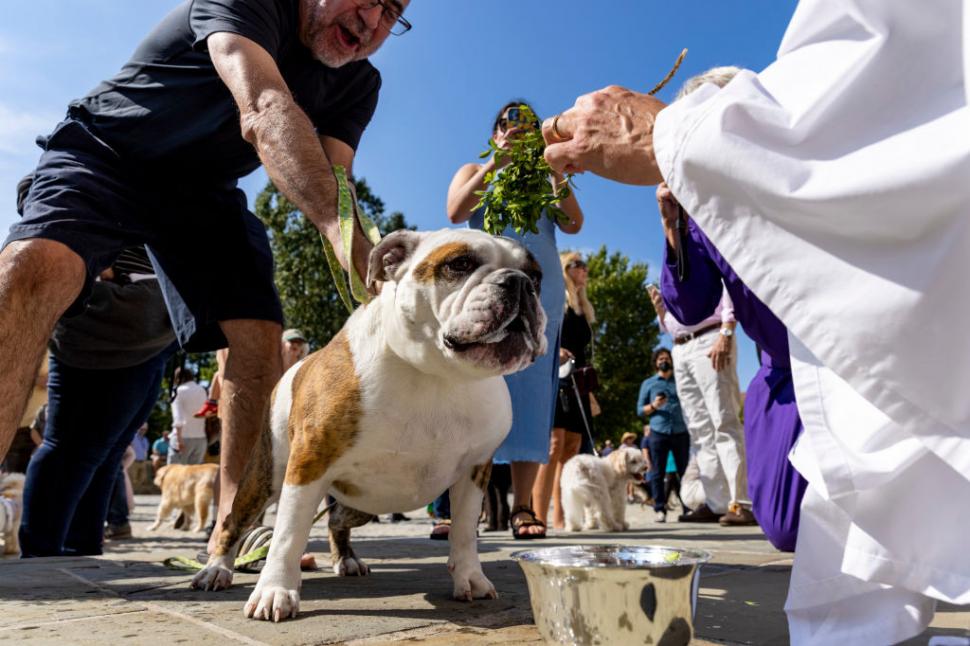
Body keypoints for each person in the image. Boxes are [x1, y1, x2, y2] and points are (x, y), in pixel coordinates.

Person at [542, 4, 970, 641]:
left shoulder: (767, 163)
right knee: (782, 519)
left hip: (836, 353)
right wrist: (674, 224)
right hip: (782, 370)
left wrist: (679, 141)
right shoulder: (699, 212)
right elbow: (686, 306)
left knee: (854, 509)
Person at [0, 0, 412, 559]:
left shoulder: (359, 84)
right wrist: (352, 247)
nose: (371, 19)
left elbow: (334, 179)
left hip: (201, 193)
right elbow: (264, 107)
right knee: (30, 268)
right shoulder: (249, 3)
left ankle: (234, 533)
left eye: (393, 12)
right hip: (108, 153)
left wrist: (379, 275)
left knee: (259, 332)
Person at [446, 100, 585, 539]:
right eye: (508, 123)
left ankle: (523, 506)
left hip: (540, 293)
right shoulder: (474, 167)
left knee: (531, 392)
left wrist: (555, 166)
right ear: (495, 133)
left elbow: (575, 223)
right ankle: (458, 506)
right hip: (483, 290)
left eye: (526, 124)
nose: (517, 129)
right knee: (469, 388)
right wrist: (495, 164)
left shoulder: (545, 179)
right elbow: (455, 212)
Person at [19, 246, 176, 557]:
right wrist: (96, 259)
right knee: (69, 447)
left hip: (152, 322)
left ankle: (81, 549)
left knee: (107, 452)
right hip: (114, 315)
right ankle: (41, 554)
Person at [649, 282, 754, 525]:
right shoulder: (670, 262)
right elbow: (669, 325)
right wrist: (661, 312)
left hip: (710, 337)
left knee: (723, 421)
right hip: (680, 346)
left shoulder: (701, 245)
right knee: (699, 430)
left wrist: (726, 330)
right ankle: (717, 502)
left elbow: (725, 281)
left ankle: (741, 502)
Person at [532, 252, 596, 529]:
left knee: (572, 449)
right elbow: (539, 331)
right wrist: (554, 350)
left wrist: (591, 392)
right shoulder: (554, 300)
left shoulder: (584, 307)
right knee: (554, 445)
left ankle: (562, 517)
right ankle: (535, 514)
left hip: (579, 380)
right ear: (565, 269)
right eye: (577, 264)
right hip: (556, 377)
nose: (584, 268)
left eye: (584, 265)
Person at [636, 348, 689, 523]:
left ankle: (688, 507)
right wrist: (654, 405)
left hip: (681, 431)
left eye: (666, 358)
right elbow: (639, 410)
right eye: (660, 359)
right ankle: (660, 509)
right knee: (658, 472)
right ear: (656, 362)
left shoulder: (680, 380)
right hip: (658, 432)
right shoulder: (649, 383)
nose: (663, 361)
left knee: (685, 472)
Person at [168, 368, 209, 466]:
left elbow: (177, 418)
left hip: (183, 438)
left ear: (177, 378)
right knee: (193, 478)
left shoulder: (178, 391)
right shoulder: (202, 390)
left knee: (174, 476)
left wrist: (179, 439)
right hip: (200, 439)